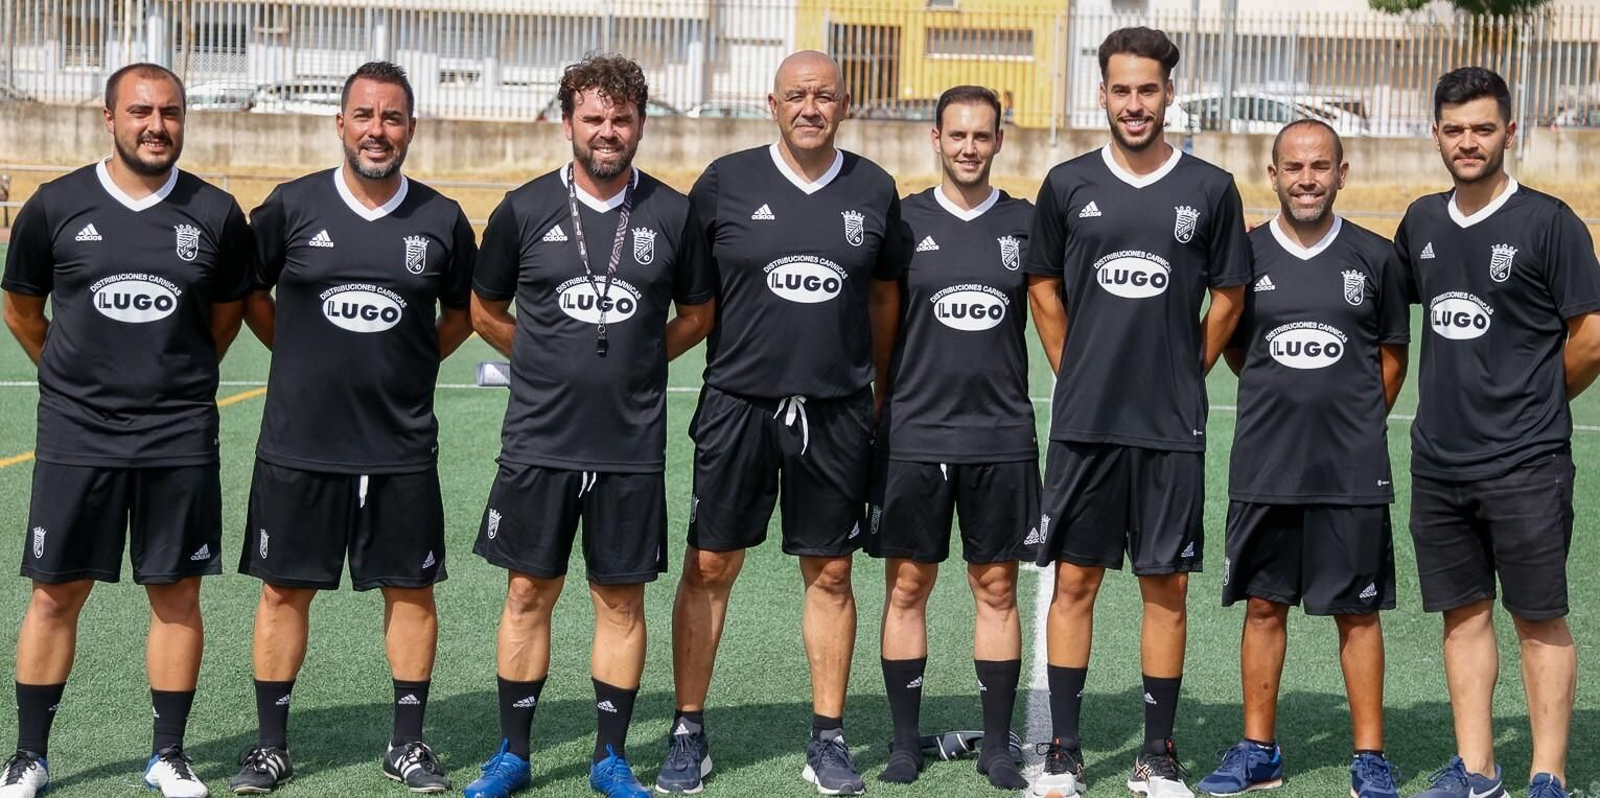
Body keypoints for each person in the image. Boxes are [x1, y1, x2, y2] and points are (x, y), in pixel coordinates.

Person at [460, 54, 716, 798]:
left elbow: (698, 313)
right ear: (567, 120)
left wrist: (638, 357)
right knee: (526, 595)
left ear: (640, 123)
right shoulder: (523, 208)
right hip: (539, 440)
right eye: (594, 118)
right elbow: (484, 310)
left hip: (630, 446)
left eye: (622, 119)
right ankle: (513, 752)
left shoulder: (672, 213)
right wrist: (542, 358)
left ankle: (610, 757)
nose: (608, 132)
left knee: (620, 600)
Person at [653, 50, 905, 797]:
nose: (810, 108)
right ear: (772, 103)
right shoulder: (726, 183)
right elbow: (687, 294)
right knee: (708, 566)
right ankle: (688, 730)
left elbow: (885, 300)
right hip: (737, 404)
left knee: (829, 571)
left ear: (845, 104)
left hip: (834, 410)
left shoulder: (874, 188)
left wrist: (879, 390)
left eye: (824, 96)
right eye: (796, 95)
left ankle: (827, 738)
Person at [0, 62, 252, 798]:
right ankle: (29, 756)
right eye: (141, 110)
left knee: (175, 593)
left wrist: (173, 377)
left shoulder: (215, 213)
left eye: (171, 112)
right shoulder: (56, 206)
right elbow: (22, 307)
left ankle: (168, 755)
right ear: (107, 118)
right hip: (78, 433)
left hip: (177, 435)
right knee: (55, 592)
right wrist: (72, 374)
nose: (157, 125)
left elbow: (225, 316)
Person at [228, 61, 476, 795]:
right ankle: (271, 746)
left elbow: (462, 315)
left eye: (393, 118)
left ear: (411, 129)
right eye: (365, 116)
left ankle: (407, 743)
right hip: (300, 442)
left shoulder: (441, 219)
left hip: (399, 444)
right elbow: (249, 294)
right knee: (282, 592)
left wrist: (404, 362)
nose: (378, 131)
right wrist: (304, 352)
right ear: (341, 123)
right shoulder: (291, 207)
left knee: (411, 591)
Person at [1024, 26, 1251, 798]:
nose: (1133, 103)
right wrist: (1073, 367)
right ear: (1103, 93)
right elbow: (1043, 286)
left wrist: (1188, 368)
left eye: (1147, 89)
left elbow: (1230, 293)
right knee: (1075, 582)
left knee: (1167, 588)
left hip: (1168, 424)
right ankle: (1064, 747)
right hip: (1086, 424)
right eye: (1121, 89)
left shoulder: (1211, 189)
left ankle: (1158, 752)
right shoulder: (1066, 184)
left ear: (1168, 93)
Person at [1396, 67, 1600, 798]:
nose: (1468, 142)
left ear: (1511, 132)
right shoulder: (1420, 221)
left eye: (1483, 128)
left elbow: (1591, 335)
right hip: (1440, 460)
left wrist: (1540, 397)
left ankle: (1548, 775)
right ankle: (1476, 772)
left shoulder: (1550, 223)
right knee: (1463, 615)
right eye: (1454, 129)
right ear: (1437, 135)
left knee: (1539, 617)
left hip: (1526, 461)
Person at [1195, 119, 1406, 798]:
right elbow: (1231, 345)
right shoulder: (1246, 257)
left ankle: (1369, 757)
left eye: (1320, 167)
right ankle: (1260, 750)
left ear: (1343, 173)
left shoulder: (1376, 257)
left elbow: (1392, 359)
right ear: (1273, 174)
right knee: (1264, 606)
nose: (1307, 179)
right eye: (1294, 167)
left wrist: (1347, 421)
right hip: (1266, 464)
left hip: (1350, 469)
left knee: (1358, 612)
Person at [866, 84, 1036, 791]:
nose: (969, 147)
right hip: (914, 432)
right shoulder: (902, 222)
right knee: (907, 585)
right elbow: (881, 320)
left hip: (1001, 435)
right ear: (934, 138)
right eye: (957, 135)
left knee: (996, 586)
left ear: (999, 141)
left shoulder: (1027, 224)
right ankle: (904, 742)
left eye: (982, 136)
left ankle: (997, 744)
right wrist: (884, 406)